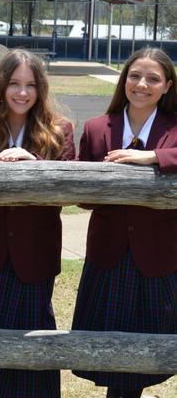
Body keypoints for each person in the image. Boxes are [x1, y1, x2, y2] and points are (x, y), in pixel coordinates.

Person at [0, 49, 75, 398]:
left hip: (36, 256)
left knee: (34, 344)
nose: (22, 93)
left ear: (41, 89)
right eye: (14, 84)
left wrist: (35, 163)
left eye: (30, 85)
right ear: (1, 87)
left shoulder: (60, 132)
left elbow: (70, 189)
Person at [72, 47, 177, 398]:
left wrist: (154, 156)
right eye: (134, 76)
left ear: (168, 86)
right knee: (109, 353)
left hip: (157, 258)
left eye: (153, 79)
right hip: (108, 257)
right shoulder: (97, 127)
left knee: (146, 355)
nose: (142, 84)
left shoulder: (174, 130)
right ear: (123, 79)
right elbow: (82, 195)